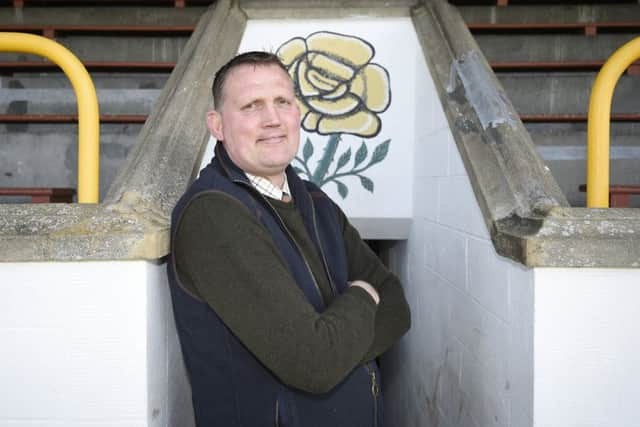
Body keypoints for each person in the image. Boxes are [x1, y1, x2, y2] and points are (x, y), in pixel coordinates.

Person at [167, 51, 410, 427]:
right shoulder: (214, 214)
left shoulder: (314, 200)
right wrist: (362, 294)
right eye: (251, 106)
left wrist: (336, 341)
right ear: (217, 125)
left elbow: (395, 306)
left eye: (283, 101)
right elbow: (314, 363)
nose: (273, 119)